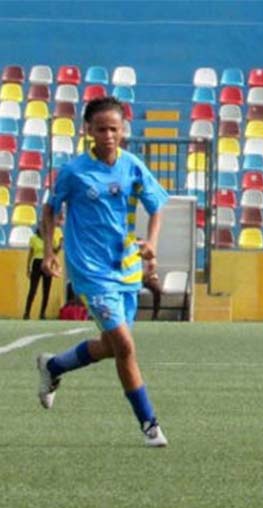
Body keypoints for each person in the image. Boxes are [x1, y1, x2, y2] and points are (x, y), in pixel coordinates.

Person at [35, 96, 169, 447]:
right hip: (89, 272)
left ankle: (53, 367)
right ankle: (149, 424)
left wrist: (152, 242)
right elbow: (50, 210)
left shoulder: (133, 166)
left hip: (125, 270)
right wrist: (49, 251)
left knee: (110, 347)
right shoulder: (75, 172)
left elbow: (156, 206)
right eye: (101, 129)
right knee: (126, 345)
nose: (108, 135)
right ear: (88, 131)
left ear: (124, 130)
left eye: (114, 128)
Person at [23, 214, 63, 319]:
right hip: (36, 263)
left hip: (48, 264)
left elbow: (54, 253)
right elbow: (30, 254)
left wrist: (59, 246)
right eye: (41, 226)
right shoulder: (33, 238)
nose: (43, 228)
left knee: (46, 290)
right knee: (33, 290)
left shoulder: (51, 239)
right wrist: (28, 267)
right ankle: (26, 312)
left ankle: (42, 313)